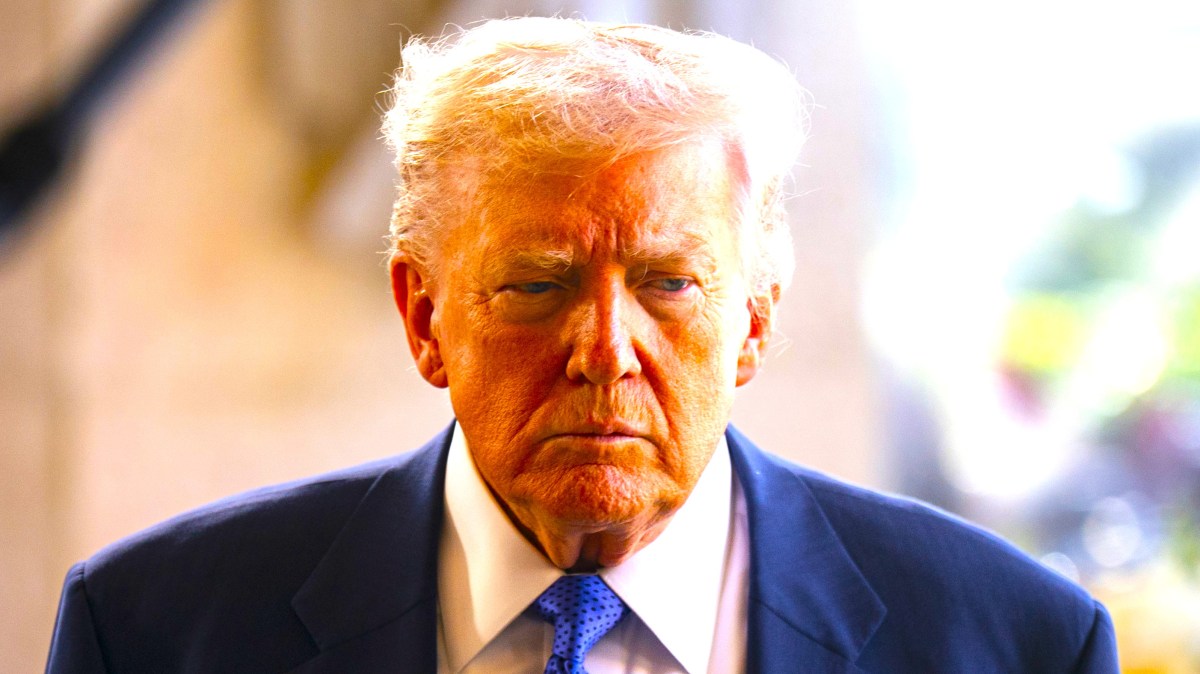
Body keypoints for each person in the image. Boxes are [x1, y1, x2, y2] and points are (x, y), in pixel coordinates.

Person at [45, 17, 1118, 673]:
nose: (605, 348)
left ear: (754, 319)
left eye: (668, 283)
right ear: (425, 316)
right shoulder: (156, 631)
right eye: (537, 283)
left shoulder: (1013, 643)